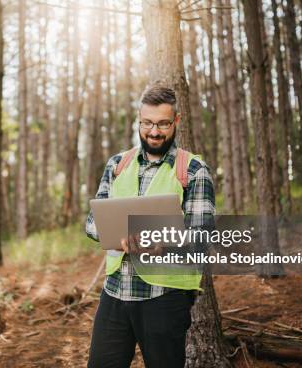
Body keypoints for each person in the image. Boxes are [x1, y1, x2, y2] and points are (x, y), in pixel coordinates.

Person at [85, 84, 215, 368]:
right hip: (115, 293)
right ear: (139, 120)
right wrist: (113, 234)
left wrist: (164, 245)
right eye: (147, 123)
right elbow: (92, 223)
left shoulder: (193, 171)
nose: (154, 132)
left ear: (176, 122)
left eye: (163, 124)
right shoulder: (117, 164)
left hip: (164, 299)